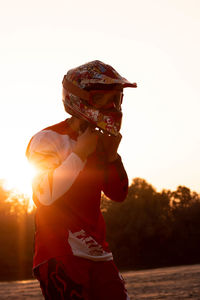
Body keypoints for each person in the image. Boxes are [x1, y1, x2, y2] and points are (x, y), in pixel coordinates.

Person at [26, 60, 137, 300]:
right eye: (102, 99)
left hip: (99, 253)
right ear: (78, 99)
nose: (113, 107)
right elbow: (43, 195)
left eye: (116, 99)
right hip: (60, 252)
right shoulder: (47, 138)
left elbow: (118, 194)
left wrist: (111, 157)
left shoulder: (98, 143)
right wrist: (80, 153)